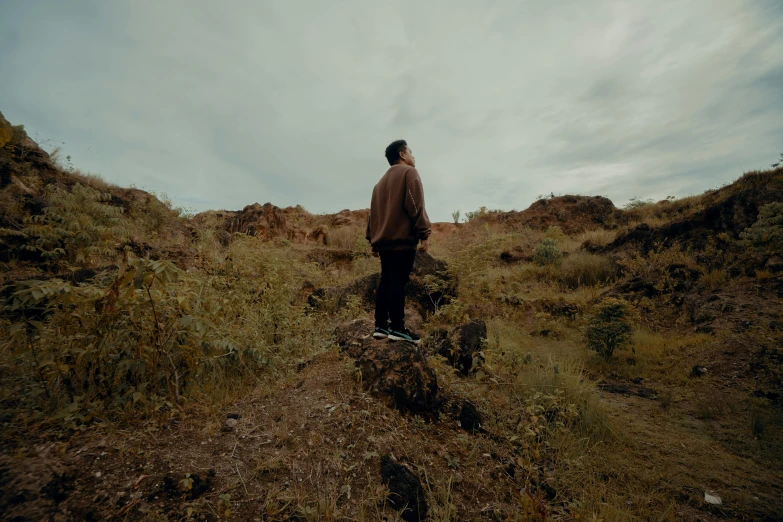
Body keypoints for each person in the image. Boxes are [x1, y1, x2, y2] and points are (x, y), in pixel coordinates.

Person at [366, 139, 432, 344]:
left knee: (386, 279)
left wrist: (373, 241)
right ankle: (397, 328)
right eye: (411, 151)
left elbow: (373, 215)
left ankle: (380, 326)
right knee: (397, 281)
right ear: (402, 155)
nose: (413, 155)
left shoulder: (379, 184)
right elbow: (415, 205)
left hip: (384, 242)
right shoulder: (409, 173)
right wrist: (424, 233)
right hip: (402, 240)